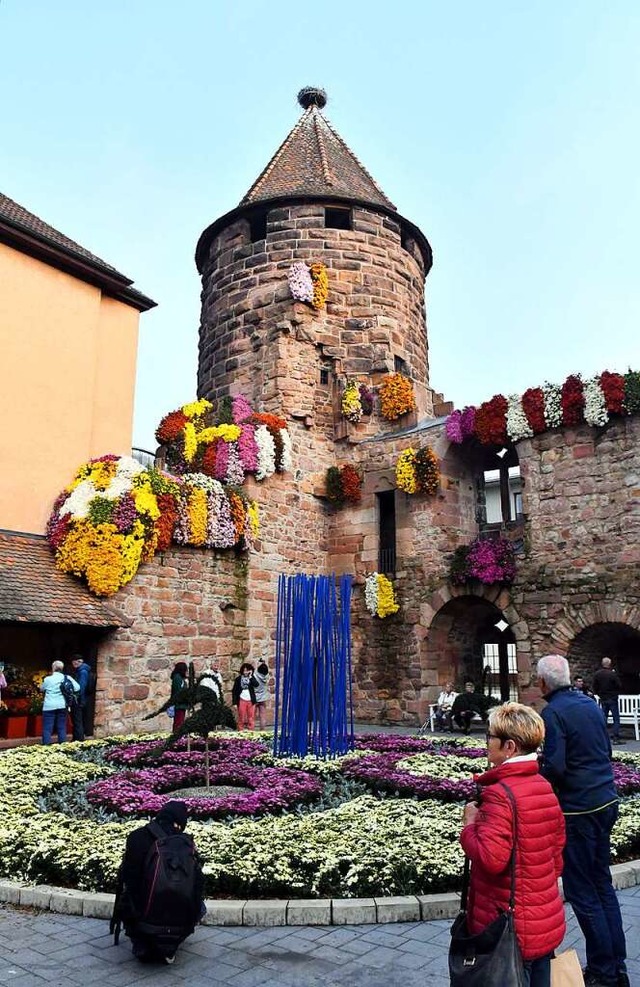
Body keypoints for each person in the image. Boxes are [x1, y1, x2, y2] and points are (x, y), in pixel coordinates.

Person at [537, 654, 629, 987]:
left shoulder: (554, 712)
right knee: (602, 884)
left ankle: (604, 972)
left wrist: (538, 772)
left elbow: (556, 767)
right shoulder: (589, 704)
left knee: (581, 890)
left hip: (579, 810)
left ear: (543, 683)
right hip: (606, 800)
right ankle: (616, 966)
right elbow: (605, 750)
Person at [460, 702, 566, 986]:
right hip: (542, 921)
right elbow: (556, 856)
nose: (486, 743)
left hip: (508, 928)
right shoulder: (543, 786)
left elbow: (491, 859)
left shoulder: (499, 795)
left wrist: (469, 825)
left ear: (509, 747)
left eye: (490, 737)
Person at [116, 800, 204, 964]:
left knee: (129, 897)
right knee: (200, 903)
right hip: (178, 917)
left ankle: (141, 940)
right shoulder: (185, 844)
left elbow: (128, 879)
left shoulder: (136, 836)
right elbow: (198, 886)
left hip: (141, 915)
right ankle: (171, 943)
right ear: (178, 823)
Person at [40, 660, 79, 744]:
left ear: (53, 668)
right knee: (61, 727)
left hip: (49, 706)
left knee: (47, 728)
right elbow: (77, 688)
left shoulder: (48, 679)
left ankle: (46, 748)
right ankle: (62, 747)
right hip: (62, 705)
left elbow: (41, 689)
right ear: (62, 668)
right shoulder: (67, 678)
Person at [592, 657, 624, 744]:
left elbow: (594, 686)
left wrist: (599, 694)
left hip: (603, 698)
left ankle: (603, 737)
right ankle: (615, 738)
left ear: (602, 664)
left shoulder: (597, 674)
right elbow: (619, 685)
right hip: (612, 698)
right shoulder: (612, 674)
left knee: (604, 718)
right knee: (616, 718)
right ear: (609, 664)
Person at [69, 654, 91, 741]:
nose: (73, 663)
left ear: (80, 661)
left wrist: (78, 699)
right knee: (76, 720)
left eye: (76, 661)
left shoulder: (82, 672)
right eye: (73, 661)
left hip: (79, 700)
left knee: (78, 720)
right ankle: (76, 738)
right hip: (80, 699)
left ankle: (79, 740)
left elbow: (81, 687)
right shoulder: (81, 670)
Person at [231, 661, 259, 730]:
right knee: (241, 717)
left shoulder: (252, 678)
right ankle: (241, 731)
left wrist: (251, 677)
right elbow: (234, 691)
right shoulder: (238, 679)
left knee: (251, 717)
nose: (245, 672)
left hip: (251, 700)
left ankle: (251, 731)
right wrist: (234, 703)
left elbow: (256, 685)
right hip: (242, 700)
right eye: (244, 671)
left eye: (247, 670)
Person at [254, 659, 269, 730]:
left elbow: (256, 669)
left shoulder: (255, 675)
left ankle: (251, 729)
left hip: (255, 697)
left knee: (252, 715)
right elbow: (264, 669)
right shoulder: (266, 676)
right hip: (263, 697)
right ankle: (262, 730)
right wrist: (263, 663)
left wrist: (259, 663)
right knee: (262, 715)